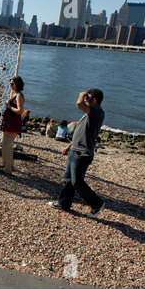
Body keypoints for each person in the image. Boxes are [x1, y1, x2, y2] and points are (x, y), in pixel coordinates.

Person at [49, 89, 106, 218]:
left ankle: (97, 203)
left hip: (83, 153)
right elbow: (80, 131)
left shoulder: (97, 113)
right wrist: (69, 146)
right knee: (68, 180)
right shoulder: (89, 113)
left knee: (77, 182)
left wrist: (82, 93)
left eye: (88, 98)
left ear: (95, 100)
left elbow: (79, 104)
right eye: (85, 98)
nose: (85, 100)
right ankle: (63, 203)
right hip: (75, 150)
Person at [0, 76, 25, 175]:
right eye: (10, 83)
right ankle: (7, 165)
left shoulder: (18, 96)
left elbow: (20, 111)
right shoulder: (16, 94)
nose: (10, 85)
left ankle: (7, 168)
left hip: (12, 125)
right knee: (7, 145)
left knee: (6, 145)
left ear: (17, 84)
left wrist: (9, 106)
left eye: (12, 84)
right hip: (9, 123)